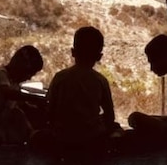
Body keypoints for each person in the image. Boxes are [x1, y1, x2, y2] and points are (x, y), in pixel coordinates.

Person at [46, 26, 121, 154]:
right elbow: (110, 116)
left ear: (73, 52)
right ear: (99, 57)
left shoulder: (60, 77)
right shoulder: (100, 80)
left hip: (63, 139)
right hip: (92, 140)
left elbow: (49, 109)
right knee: (117, 129)